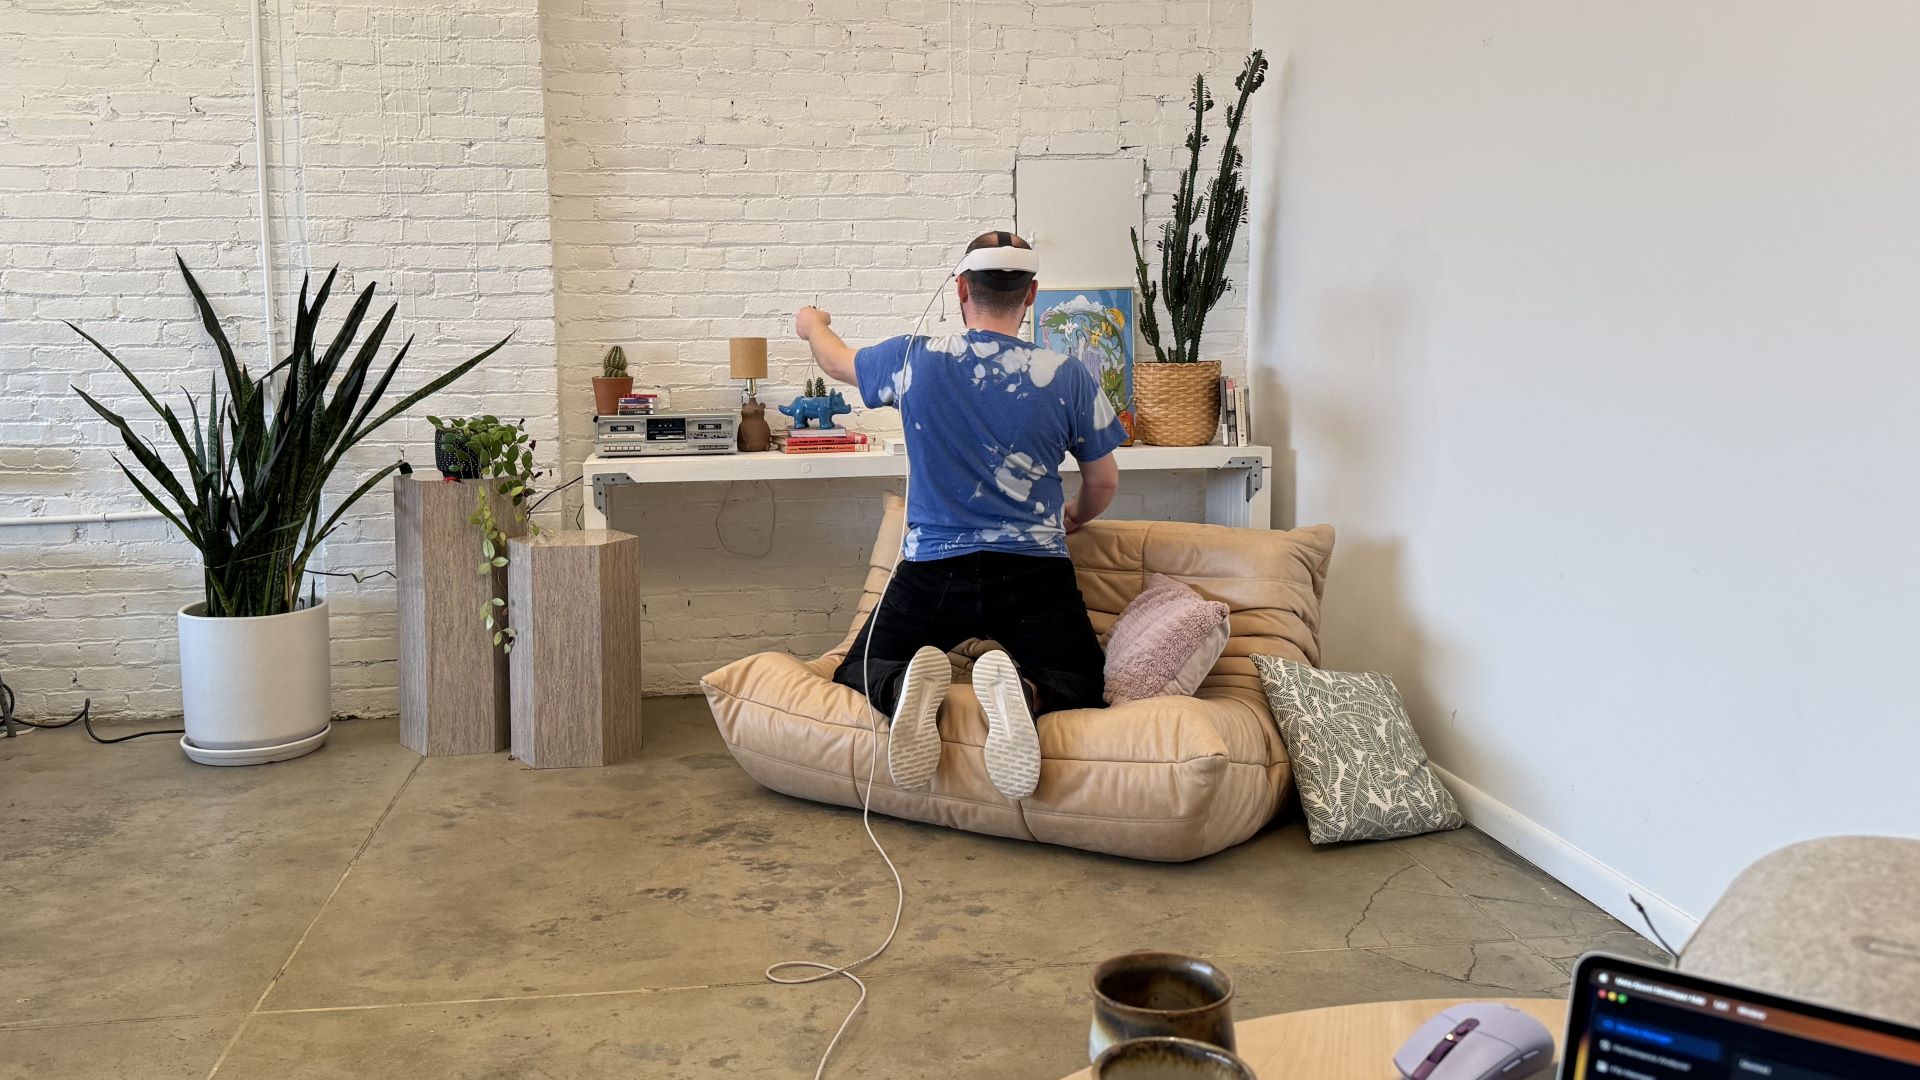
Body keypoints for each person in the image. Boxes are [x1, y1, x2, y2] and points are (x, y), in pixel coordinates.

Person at [792, 230, 1126, 800]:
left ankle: (904, 689)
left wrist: (810, 322)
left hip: (933, 573)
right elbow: (1104, 480)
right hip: (1033, 572)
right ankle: (1024, 693)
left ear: (961, 289)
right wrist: (1073, 514)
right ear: (1031, 295)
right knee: (1082, 681)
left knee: (857, 669)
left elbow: (837, 362)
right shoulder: (1068, 374)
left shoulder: (912, 360)